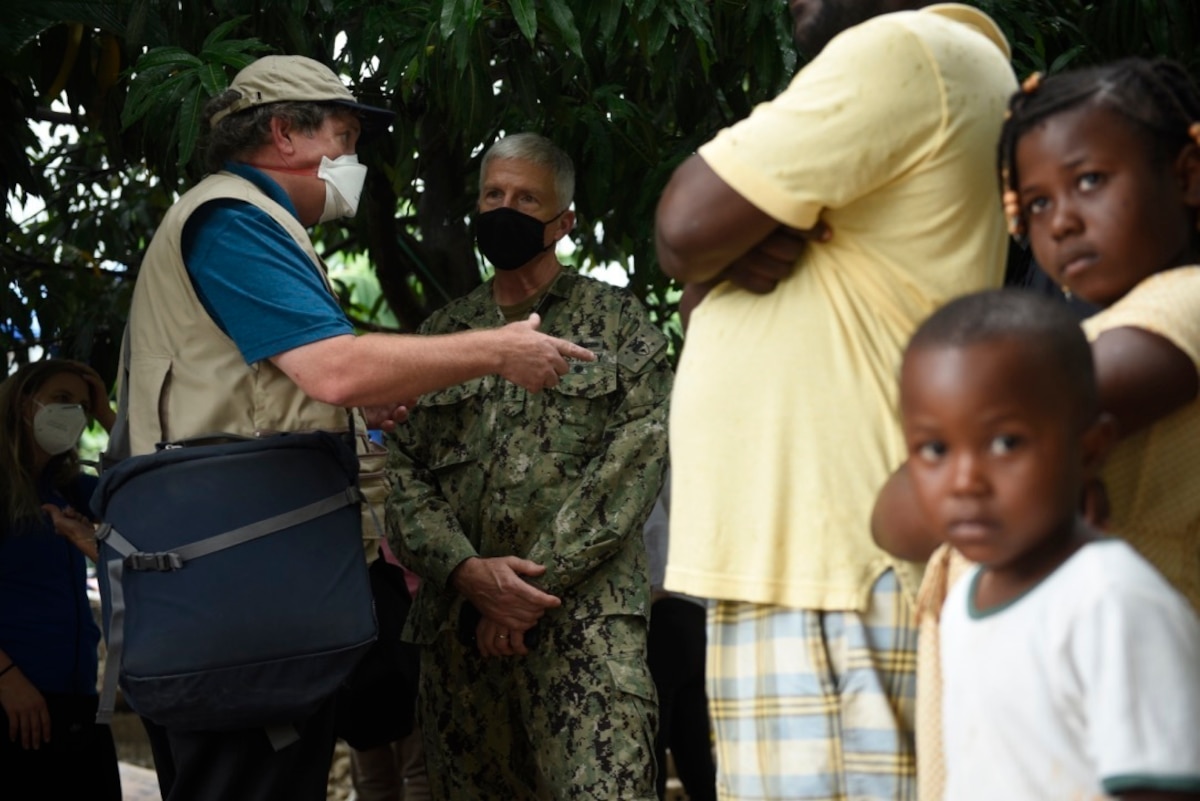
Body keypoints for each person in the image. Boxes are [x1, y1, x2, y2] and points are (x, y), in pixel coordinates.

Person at [113, 56, 593, 801]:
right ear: (283, 132)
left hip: (241, 590)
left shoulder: (250, 219)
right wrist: (498, 351)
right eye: (344, 135)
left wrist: (352, 408)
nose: (354, 159)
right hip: (239, 595)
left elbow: (287, 385)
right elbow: (334, 368)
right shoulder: (236, 220)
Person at [653, 2, 1016, 798]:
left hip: (835, 567)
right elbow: (695, 285)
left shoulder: (905, 50)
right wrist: (716, 258)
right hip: (803, 563)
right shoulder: (930, 62)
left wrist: (716, 244)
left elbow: (683, 224)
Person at [873, 57, 1200, 801]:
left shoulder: (1185, 303)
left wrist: (932, 450)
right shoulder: (1079, 341)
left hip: (1116, 683)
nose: (1065, 221)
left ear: (1187, 175)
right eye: (1039, 204)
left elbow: (911, 507)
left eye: (1090, 181)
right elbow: (893, 519)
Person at [386, 132, 672, 800]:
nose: (504, 208)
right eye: (493, 194)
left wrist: (520, 596)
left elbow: (631, 469)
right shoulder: (441, 339)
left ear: (563, 222)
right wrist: (468, 572)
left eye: (525, 198)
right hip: (461, 643)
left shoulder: (618, 324)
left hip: (587, 634)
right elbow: (399, 472)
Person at [897, 288, 1200, 799]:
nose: (964, 480)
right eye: (934, 449)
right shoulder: (964, 606)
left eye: (1005, 443)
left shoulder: (1110, 602)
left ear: (1091, 450)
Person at [0, 359, 121, 800]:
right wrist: (6, 679)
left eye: (83, 407)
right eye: (62, 399)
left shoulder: (73, 489)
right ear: (22, 403)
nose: (74, 413)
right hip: (14, 700)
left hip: (78, 702)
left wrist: (109, 416)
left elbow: (149, 494)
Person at [642, 467, 717, 801]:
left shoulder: (654, 464)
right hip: (696, 613)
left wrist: (656, 588)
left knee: (656, 745)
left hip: (666, 610)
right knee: (694, 746)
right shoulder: (692, 467)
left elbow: (654, 529)